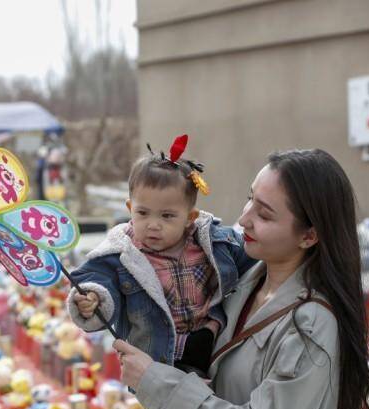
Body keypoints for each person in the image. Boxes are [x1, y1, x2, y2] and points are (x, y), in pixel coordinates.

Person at [114, 149, 369, 409]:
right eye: (250, 198)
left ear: (308, 236)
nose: (243, 220)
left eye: (264, 215)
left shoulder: (311, 326)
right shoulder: (238, 281)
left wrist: (155, 383)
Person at [67, 135, 255, 376]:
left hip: (210, 343)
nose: (153, 225)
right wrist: (93, 295)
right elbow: (98, 276)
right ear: (129, 209)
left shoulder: (212, 242)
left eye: (167, 216)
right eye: (143, 213)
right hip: (157, 357)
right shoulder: (123, 253)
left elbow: (251, 258)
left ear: (190, 218)